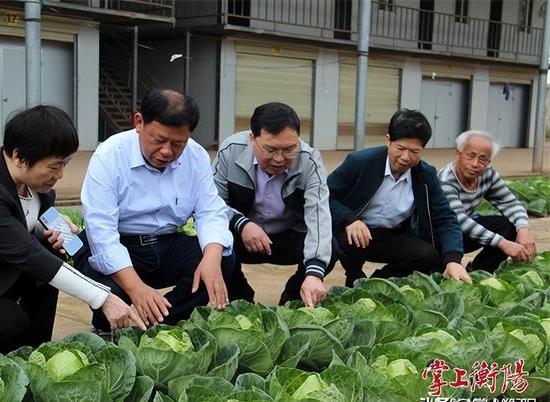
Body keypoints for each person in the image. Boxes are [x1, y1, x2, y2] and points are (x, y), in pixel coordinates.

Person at [0, 105, 144, 360]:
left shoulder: (35, 184)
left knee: (45, 268)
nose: (60, 175)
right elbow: (29, 255)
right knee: (8, 322)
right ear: (20, 157)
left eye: (64, 164)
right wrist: (103, 298)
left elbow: (24, 227)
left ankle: (32, 358)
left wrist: (47, 229)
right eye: (54, 166)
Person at [74, 88, 244, 330]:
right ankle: (107, 326)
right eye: (159, 140)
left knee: (222, 259)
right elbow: (102, 234)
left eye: (178, 143)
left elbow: (210, 211)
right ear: (139, 122)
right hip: (120, 244)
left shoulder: (195, 156)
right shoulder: (110, 156)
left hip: (165, 244)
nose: (167, 151)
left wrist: (212, 256)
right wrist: (136, 288)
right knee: (110, 290)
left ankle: (160, 321)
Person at [212, 102, 339, 307]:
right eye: (270, 150)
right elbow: (212, 202)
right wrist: (241, 223)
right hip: (242, 237)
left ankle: (292, 297)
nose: (279, 159)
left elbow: (319, 215)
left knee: (330, 247)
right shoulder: (230, 150)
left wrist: (315, 273)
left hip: (287, 236)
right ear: (252, 138)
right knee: (211, 244)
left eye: (289, 149)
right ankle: (240, 298)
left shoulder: (309, 161)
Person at [327, 108, 472, 287]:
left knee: (427, 255)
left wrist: (453, 259)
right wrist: (349, 219)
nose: (405, 157)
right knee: (349, 241)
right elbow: (326, 196)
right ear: (388, 140)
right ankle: (354, 275)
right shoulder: (359, 163)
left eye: (415, 151)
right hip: (353, 232)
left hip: (391, 235)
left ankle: (380, 282)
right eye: (401, 148)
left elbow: (445, 217)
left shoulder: (425, 175)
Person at [438, 130, 535, 272]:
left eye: (482, 159)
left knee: (508, 226)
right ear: (458, 154)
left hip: (461, 233)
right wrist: (503, 243)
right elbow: (459, 220)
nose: (475, 164)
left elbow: (510, 203)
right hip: (440, 235)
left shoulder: (488, 175)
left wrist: (523, 229)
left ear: (488, 162)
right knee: (438, 270)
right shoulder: (446, 180)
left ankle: (479, 271)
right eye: (470, 156)